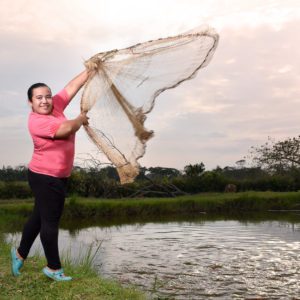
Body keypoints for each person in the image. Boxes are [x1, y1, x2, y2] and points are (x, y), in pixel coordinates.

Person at [11, 69, 93, 281]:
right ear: (31, 102)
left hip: (57, 176)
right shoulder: (36, 121)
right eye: (39, 98)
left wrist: (91, 70)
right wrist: (80, 119)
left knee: (38, 218)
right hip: (45, 177)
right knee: (50, 222)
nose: (45, 101)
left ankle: (19, 254)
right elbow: (65, 129)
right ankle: (53, 268)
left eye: (47, 96)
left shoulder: (55, 105)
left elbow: (71, 88)